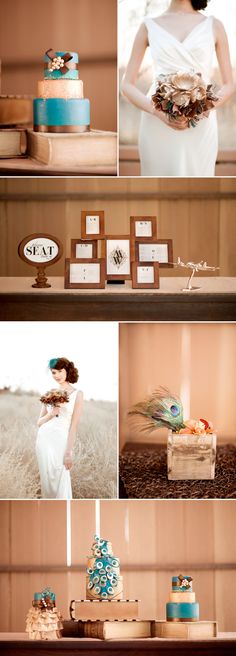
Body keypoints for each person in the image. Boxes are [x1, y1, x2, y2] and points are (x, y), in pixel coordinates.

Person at [121, 0, 235, 176]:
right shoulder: (148, 26)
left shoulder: (214, 25)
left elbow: (229, 84)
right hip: (157, 118)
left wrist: (205, 107)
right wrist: (158, 113)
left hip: (200, 122)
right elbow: (126, 85)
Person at [36, 357, 83, 499]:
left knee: (61, 476)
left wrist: (68, 453)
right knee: (47, 479)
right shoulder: (50, 393)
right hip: (44, 440)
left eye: (60, 371)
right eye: (53, 372)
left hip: (61, 441)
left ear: (67, 371)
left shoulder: (77, 394)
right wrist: (51, 414)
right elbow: (39, 422)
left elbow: (73, 427)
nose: (57, 376)